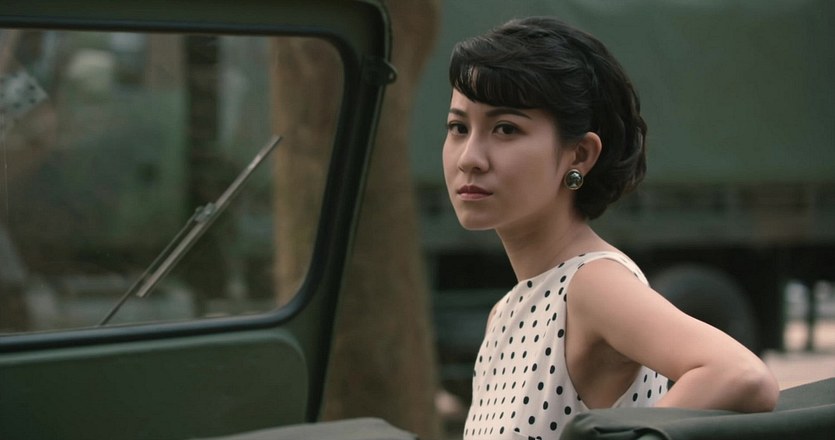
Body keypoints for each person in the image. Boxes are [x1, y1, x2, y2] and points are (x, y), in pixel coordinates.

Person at [442, 17, 779, 439]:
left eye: (505, 129)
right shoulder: (505, 311)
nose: (469, 158)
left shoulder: (591, 284)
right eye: (459, 128)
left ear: (580, 155)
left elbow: (739, 373)